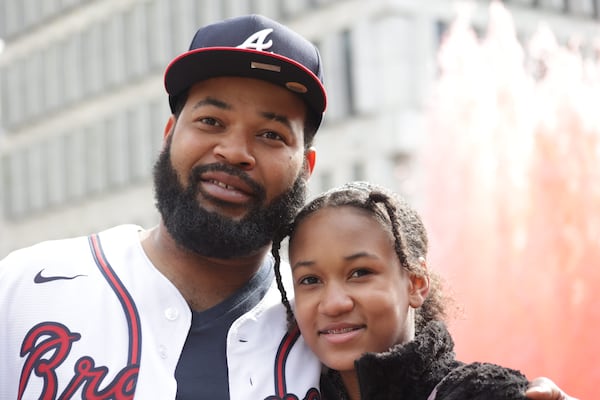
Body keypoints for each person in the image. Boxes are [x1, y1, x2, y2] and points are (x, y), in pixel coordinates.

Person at [0, 14, 576, 400]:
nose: (234, 151)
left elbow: (431, 377)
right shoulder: (22, 289)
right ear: (170, 133)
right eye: (211, 121)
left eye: (272, 135)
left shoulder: (332, 331)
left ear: (308, 165)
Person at [271, 181, 578, 400]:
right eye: (310, 280)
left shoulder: (485, 393)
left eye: (360, 273)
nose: (334, 303)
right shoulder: (283, 389)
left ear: (416, 283)